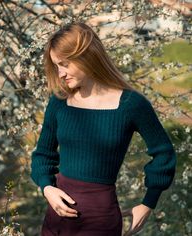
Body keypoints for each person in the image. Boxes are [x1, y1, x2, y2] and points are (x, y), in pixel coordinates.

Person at [30, 22, 176, 236]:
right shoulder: (60, 101)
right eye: (56, 66)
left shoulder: (131, 105)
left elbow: (163, 152)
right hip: (57, 218)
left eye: (65, 64)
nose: (60, 73)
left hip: (100, 221)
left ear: (86, 56)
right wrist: (47, 188)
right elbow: (43, 154)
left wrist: (148, 203)